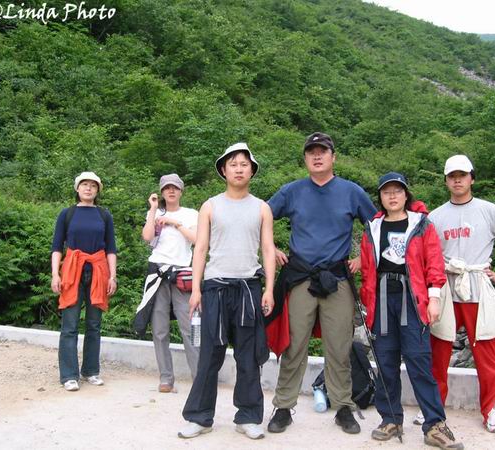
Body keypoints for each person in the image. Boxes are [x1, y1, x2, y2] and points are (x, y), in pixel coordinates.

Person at [266, 132, 377, 435]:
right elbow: (261, 217)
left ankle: (343, 407)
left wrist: (363, 258)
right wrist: (271, 248)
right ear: (305, 158)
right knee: (294, 345)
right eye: (311, 152)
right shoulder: (292, 191)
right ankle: (283, 407)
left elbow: (377, 225)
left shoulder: (351, 192)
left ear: (333, 157)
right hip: (300, 277)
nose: (317, 156)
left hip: (337, 278)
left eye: (323, 151)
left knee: (339, 346)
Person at [359, 172, 464, 449]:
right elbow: (368, 269)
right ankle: (390, 419)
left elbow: (434, 262)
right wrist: (367, 300)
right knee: (385, 362)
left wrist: (434, 298)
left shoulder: (422, 225)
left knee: (419, 361)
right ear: (380, 197)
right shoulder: (372, 227)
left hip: (412, 298)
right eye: (386, 192)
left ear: (406, 195)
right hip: (382, 298)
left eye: (397, 191)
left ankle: (435, 425)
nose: (392, 196)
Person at [178, 143, 275, 440]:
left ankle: (248, 416)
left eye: (244, 164)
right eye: (233, 164)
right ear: (223, 170)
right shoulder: (210, 206)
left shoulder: (262, 208)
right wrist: (195, 289)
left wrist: (269, 289)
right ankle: (200, 417)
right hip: (215, 288)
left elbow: (268, 249)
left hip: (248, 288)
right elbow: (200, 249)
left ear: (252, 171)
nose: (239, 169)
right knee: (209, 355)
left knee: (249, 357)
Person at [428, 155, 495, 433]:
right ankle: (434, 409)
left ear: (472, 178)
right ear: (446, 180)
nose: (457, 180)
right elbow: (428, 255)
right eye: (452, 176)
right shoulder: (435, 216)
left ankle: (491, 409)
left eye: (462, 175)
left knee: (486, 350)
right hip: (446, 286)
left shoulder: (488, 210)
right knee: (438, 351)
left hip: (477, 285)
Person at [51, 172, 117, 391]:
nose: (88, 188)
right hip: (72, 272)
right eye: (84, 185)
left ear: (97, 190)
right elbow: (56, 247)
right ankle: (69, 375)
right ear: (77, 188)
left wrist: (113, 276)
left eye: (93, 186)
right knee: (69, 325)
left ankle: (90, 371)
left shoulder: (104, 215)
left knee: (94, 325)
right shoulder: (67, 214)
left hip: (98, 271)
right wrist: (55, 274)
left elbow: (111, 249)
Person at [139, 174, 199, 393]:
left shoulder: (191, 214)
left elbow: (197, 239)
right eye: (166, 188)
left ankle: (199, 379)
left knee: (191, 328)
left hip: (182, 274)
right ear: (162, 192)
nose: (171, 191)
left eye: (175, 188)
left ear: (181, 191)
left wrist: (174, 223)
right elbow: (147, 238)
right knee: (159, 329)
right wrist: (153, 210)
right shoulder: (155, 213)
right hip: (157, 274)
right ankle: (166, 379)